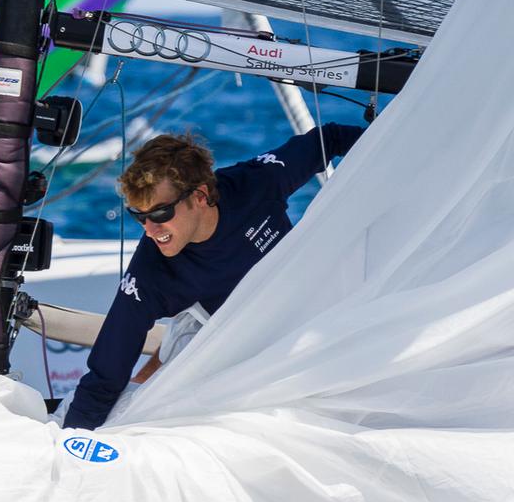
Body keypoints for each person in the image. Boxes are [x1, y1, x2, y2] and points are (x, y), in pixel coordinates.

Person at [62, 123, 364, 430]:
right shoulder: (151, 272)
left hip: (307, 314)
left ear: (201, 196)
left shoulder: (255, 184)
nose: (150, 230)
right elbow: (106, 374)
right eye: (139, 216)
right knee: (134, 415)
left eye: (160, 214)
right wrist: (72, 444)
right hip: (224, 339)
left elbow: (331, 138)